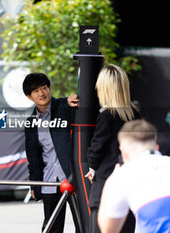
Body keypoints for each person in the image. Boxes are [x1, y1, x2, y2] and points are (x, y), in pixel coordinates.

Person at [98, 119, 170, 233]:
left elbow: (108, 229)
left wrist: (109, 184)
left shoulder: (124, 174)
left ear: (123, 151)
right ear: (156, 147)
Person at [23, 73, 80, 233]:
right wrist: (34, 183)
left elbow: (72, 102)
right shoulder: (30, 122)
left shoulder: (64, 106)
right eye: (35, 91)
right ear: (29, 97)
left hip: (73, 177)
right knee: (51, 227)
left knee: (82, 224)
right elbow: (33, 157)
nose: (41, 93)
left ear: (49, 88)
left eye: (44, 88)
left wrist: (71, 101)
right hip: (49, 180)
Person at [85, 64, 139, 233]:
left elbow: (97, 146)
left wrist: (91, 167)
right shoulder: (134, 114)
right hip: (130, 183)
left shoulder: (107, 115)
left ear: (105, 88)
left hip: (105, 185)